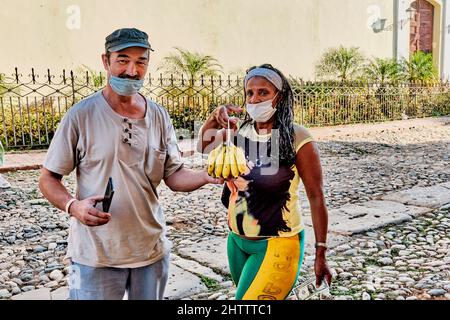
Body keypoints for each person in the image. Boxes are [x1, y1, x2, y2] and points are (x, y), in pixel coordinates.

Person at [38, 28, 222, 300]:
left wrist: (206, 176)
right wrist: (73, 206)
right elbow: (47, 179)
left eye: (141, 61)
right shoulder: (81, 116)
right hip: (96, 256)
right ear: (106, 61)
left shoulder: (159, 116)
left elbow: (174, 175)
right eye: (123, 60)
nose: (132, 71)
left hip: (150, 251)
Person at [197, 64, 332, 300]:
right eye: (250, 93)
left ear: (279, 97)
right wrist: (213, 120)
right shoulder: (238, 132)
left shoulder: (297, 138)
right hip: (237, 243)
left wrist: (321, 251)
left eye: (263, 92)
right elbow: (203, 147)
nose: (255, 99)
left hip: (278, 244)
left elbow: (316, 195)